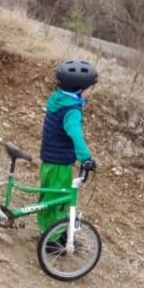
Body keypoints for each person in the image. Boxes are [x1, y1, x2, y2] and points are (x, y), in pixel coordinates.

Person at [38, 59, 99, 239]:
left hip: (50, 157)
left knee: (50, 195)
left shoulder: (58, 99)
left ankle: (59, 231)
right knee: (57, 200)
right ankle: (51, 238)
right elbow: (75, 134)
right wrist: (85, 157)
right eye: (89, 88)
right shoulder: (72, 111)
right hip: (59, 162)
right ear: (78, 89)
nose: (91, 91)